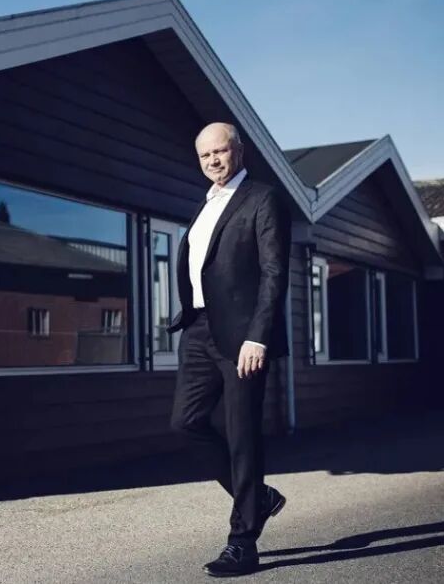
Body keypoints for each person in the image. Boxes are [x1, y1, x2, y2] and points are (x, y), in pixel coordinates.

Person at [167, 122, 291, 577]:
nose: (213, 161)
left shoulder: (262, 198)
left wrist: (258, 336)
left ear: (238, 150)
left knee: (242, 435)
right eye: (205, 155)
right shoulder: (205, 205)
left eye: (220, 151)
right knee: (185, 422)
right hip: (199, 330)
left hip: (242, 336)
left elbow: (274, 272)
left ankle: (243, 542)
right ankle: (259, 499)